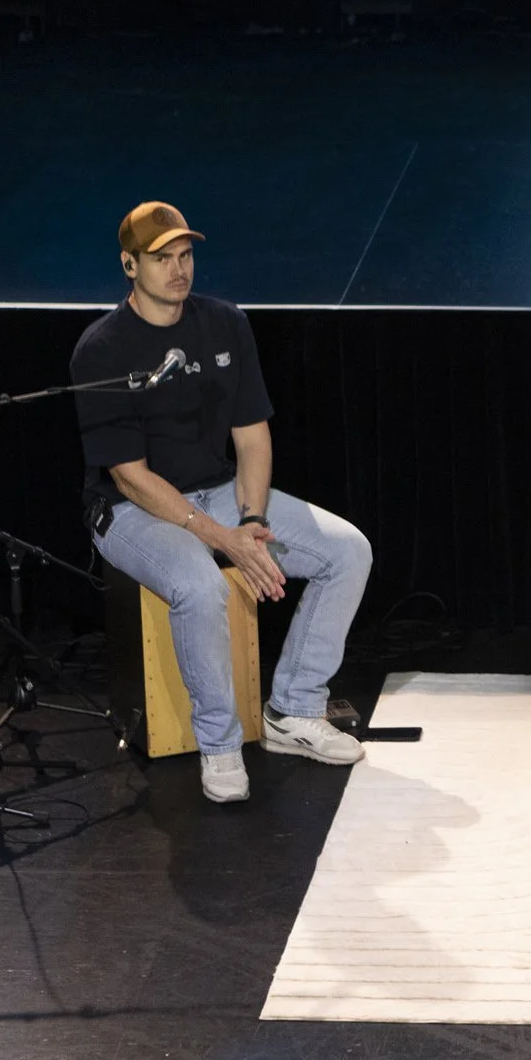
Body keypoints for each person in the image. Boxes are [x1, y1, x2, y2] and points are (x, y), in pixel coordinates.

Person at [69, 202, 371, 803]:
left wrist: (253, 520)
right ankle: (221, 744)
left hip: (219, 492)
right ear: (130, 265)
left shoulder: (224, 323)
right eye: (161, 259)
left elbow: (252, 436)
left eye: (185, 256)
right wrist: (219, 536)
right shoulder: (101, 349)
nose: (179, 270)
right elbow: (129, 477)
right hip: (131, 511)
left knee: (348, 551)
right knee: (200, 584)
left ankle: (293, 710)